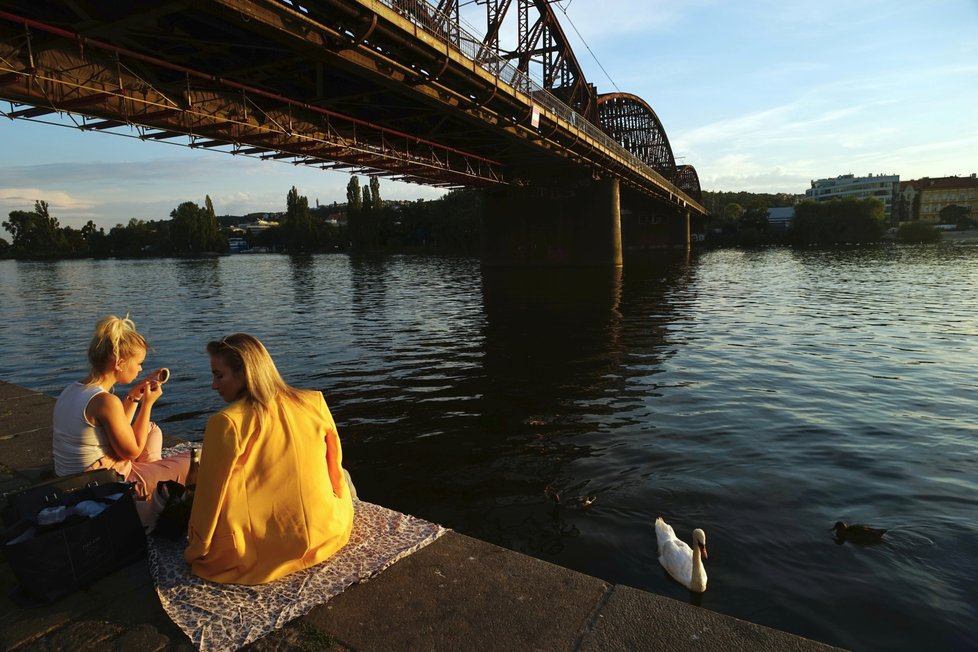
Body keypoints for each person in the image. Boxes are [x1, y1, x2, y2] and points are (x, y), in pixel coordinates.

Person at [184, 333, 355, 585]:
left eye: (219, 375)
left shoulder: (227, 422)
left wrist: (197, 548)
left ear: (244, 373)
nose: (213, 385)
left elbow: (211, 496)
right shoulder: (313, 401)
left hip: (263, 553)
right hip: (328, 530)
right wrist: (341, 505)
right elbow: (335, 471)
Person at [52, 315, 191, 510]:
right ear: (119, 363)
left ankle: (154, 475)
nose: (140, 369)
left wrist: (134, 397)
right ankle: (154, 485)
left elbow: (116, 429)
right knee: (197, 457)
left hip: (75, 477)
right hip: (102, 484)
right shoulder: (105, 401)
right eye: (139, 362)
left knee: (151, 429)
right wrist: (147, 405)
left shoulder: (73, 389)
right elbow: (131, 450)